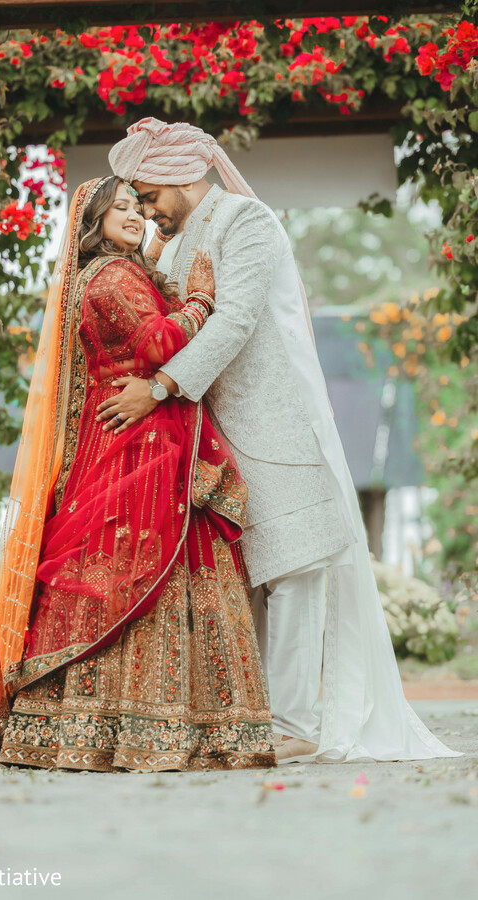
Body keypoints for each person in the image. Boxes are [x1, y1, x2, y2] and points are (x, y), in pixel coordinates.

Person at [101, 117, 462, 764]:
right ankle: (251, 718)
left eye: (150, 193)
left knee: (295, 568)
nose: (147, 207)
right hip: (209, 433)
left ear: (188, 174)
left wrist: (157, 388)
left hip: (273, 422)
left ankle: (296, 725)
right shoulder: (174, 242)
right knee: (241, 576)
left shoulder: (247, 222)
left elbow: (236, 318)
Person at [0, 175, 274, 772]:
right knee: (136, 571)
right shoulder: (113, 276)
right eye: (120, 207)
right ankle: (163, 729)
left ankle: (103, 727)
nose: (136, 214)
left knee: (121, 570)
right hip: (139, 446)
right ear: (93, 221)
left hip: (138, 436)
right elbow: (157, 344)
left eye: (138, 205)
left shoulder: (123, 273)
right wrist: (199, 301)